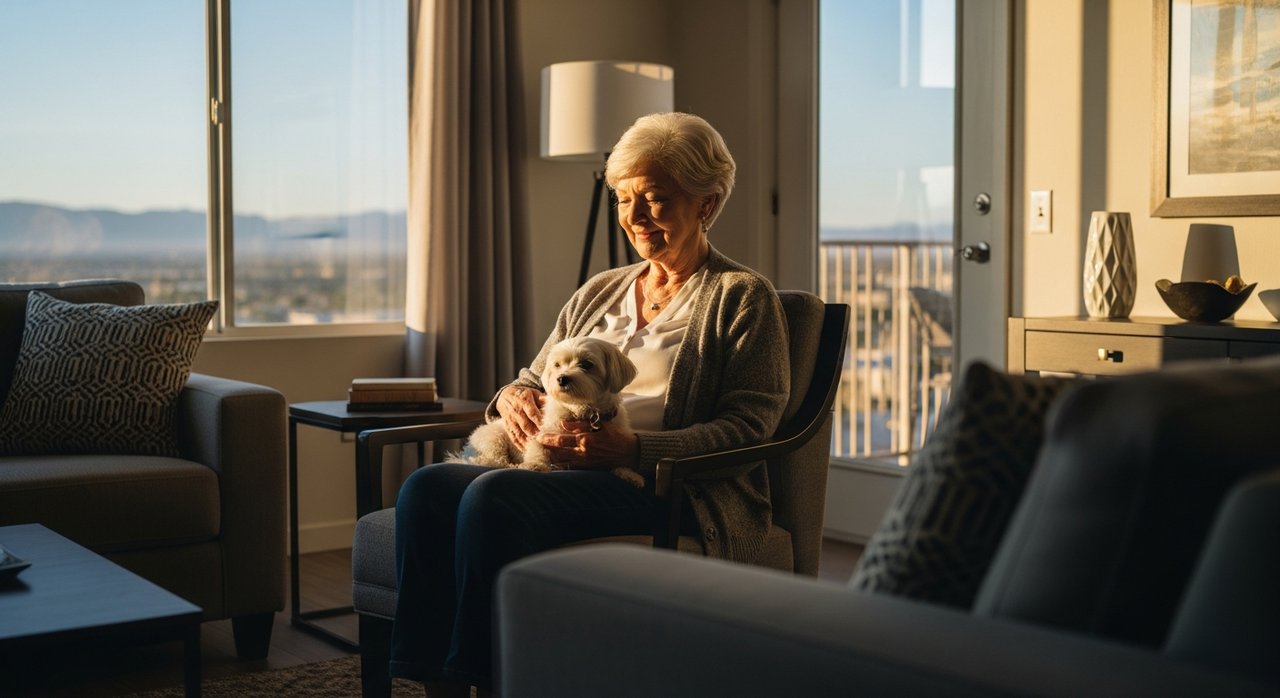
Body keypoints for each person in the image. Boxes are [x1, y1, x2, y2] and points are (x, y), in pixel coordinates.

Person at [390, 112, 791, 696]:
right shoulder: (601, 289)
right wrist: (511, 400)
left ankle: (490, 677)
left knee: (493, 495)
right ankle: (435, 683)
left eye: (654, 199)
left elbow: (751, 429)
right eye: (625, 200)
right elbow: (533, 376)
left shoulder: (743, 297)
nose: (635, 217)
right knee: (425, 487)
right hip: (561, 462)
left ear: (705, 203)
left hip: (662, 487)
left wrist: (633, 447)